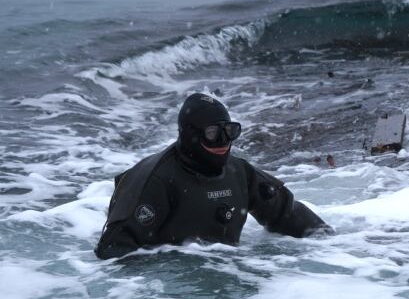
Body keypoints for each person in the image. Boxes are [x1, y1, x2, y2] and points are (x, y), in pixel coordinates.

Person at [94, 93, 330, 259]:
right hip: (169, 298)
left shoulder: (240, 174)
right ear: (190, 135)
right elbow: (113, 251)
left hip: (227, 285)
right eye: (212, 133)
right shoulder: (155, 181)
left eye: (230, 131)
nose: (223, 142)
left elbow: (286, 214)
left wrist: (337, 247)